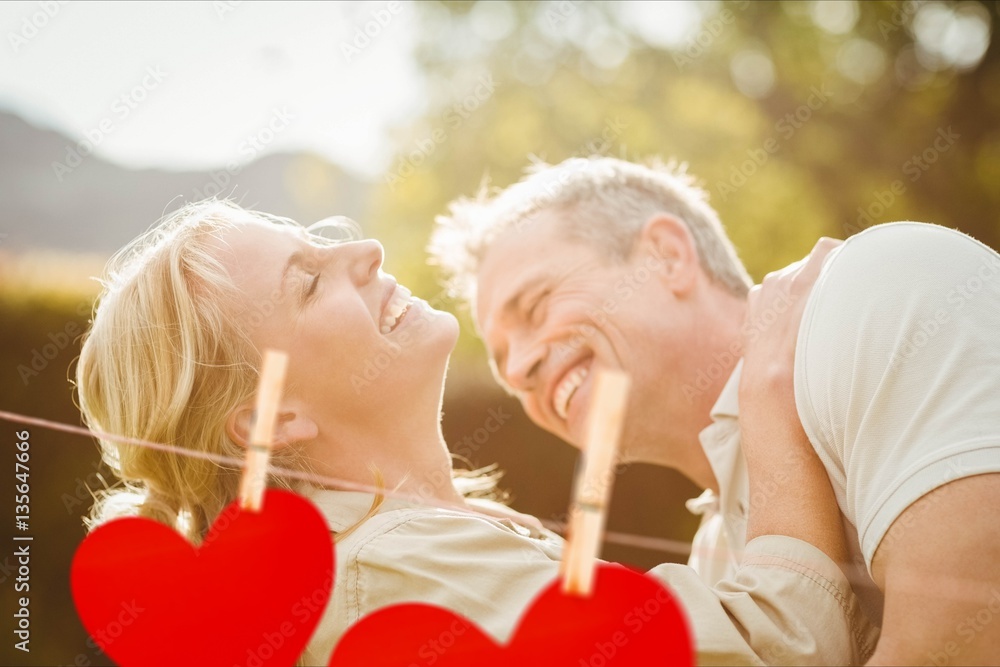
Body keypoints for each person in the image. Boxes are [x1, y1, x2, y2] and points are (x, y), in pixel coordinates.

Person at [76, 199, 866, 666]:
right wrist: (770, 392)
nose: (365, 249)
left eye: (323, 239)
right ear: (273, 419)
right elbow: (778, 649)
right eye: (309, 281)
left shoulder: (405, 553)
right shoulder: (396, 565)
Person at [431, 155, 1000, 665]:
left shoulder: (875, 291)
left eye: (534, 306)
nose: (518, 371)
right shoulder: (715, 562)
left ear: (667, 256)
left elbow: (962, 646)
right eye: (503, 360)